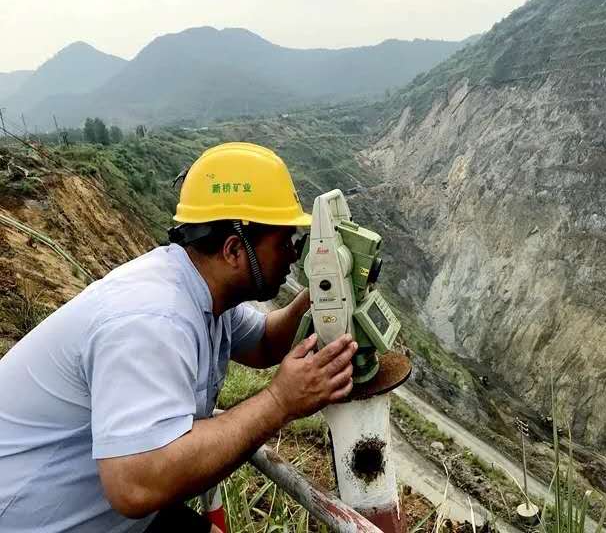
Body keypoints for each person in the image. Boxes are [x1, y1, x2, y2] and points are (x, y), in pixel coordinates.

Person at [0, 142, 358, 532]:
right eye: (285, 241)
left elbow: (264, 342)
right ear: (235, 249)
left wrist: (325, 292)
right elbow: (135, 486)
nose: (293, 255)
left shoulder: (201, 289)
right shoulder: (151, 318)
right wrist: (279, 402)